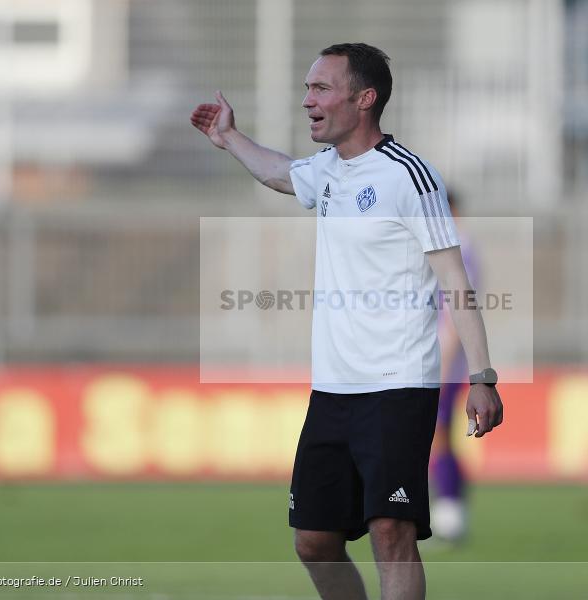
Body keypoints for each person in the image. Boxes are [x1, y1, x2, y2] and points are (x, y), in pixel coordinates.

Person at [191, 42, 503, 600]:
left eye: (320, 88)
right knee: (313, 539)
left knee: (391, 532)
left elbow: (457, 283)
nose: (307, 99)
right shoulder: (328, 171)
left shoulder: (411, 177)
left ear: (365, 98)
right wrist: (229, 138)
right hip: (333, 389)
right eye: (307, 87)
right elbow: (281, 173)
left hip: (398, 385)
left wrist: (482, 377)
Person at [429, 191, 479, 545]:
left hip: (442, 363)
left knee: (438, 436)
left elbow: (457, 309)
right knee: (440, 436)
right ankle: (451, 508)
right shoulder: (455, 246)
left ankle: (449, 512)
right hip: (439, 359)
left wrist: (443, 363)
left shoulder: (457, 247)